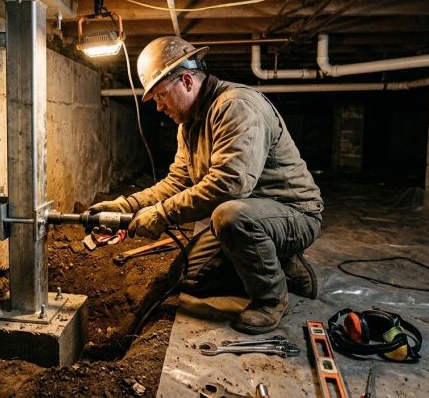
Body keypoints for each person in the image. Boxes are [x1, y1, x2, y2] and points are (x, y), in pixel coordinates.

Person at [90, 36, 323, 335]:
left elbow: (230, 185)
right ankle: (280, 263)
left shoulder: (236, 106)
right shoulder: (189, 125)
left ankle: (270, 299)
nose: (158, 107)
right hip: (249, 216)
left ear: (187, 81)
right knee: (189, 278)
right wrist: (127, 205)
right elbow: (177, 182)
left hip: (293, 214)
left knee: (229, 217)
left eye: (161, 95)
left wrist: (162, 214)